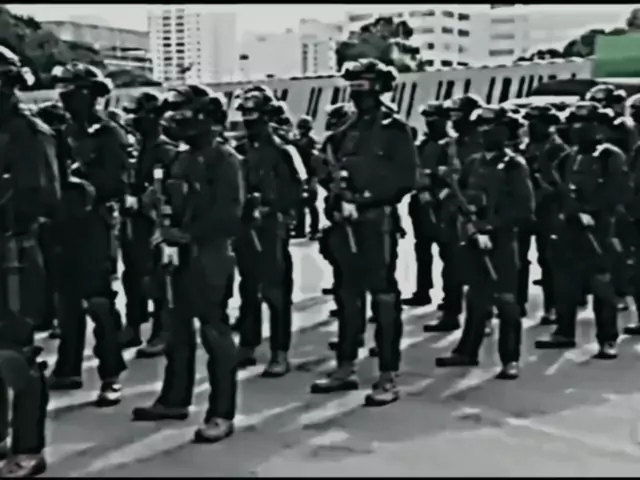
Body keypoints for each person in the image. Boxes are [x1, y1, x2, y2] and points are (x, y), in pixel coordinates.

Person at [131, 85, 243, 444]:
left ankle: (221, 412)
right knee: (176, 329)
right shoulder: (180, 158)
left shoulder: (223, 159)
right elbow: (166, 200)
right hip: (175, 255)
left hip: (208, 254)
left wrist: (186, 234)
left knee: (214, 331)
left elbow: (229, 215)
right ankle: (174, 398)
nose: (175, 121)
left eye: (183, 115)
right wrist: (154, 206)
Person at [309, 58, 418, 406]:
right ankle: (345, 366)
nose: (358, 94)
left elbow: (406, 178)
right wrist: (337, 194)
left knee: (384, 297)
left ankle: (388, 374)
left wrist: (366, 199)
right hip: (345, 222)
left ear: (379, 88)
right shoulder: (345, 131)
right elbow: (326, 167)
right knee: (347, 295)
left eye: (364, 86)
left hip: (376, 221)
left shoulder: (394, 130)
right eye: (353, 87)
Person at [47, 62, 128, 407]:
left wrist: (82, 185)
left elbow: (116, 183)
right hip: (61, 226)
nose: (65, 97)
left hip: (94, 226)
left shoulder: (109, 134)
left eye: (73, 90)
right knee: (66, 303)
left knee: (99, 302)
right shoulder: (58, 132)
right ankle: (68, 367)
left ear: (91, 94)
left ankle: (111, 374)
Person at [435, 105, 535, 380]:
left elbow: (524, 210)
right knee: (476, 298)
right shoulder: (473, 163)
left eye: (490, 128)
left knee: (506, 301)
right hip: (474, 239)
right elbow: (459, 197)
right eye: (481, 128)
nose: (484, 133)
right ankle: (467, 350)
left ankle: (510, 359)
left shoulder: (514, 166)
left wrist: (490, 228)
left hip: (501, 241)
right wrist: (466, 223)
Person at [0, 45, 61, 478]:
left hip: (13, 255)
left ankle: (28, 447)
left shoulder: (30, 133)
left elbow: (46, 198)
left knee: (17, 354)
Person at [534, 101, 629, 358]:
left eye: (584, 124)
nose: (578, 129)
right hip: (569, 227)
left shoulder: (610, 155)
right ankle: (564, 331)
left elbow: (617, 190)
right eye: (575, 123)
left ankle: (607, 339)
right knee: (565, 284)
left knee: (602, 286)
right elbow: (558, 185)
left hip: (599, 229)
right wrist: (566, 208)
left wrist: (591, 209)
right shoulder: (570, 156)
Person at [234, 86, 303, 376]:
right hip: (244, 227)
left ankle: (279, 351)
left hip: (272, 226)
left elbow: (298, 191)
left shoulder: (283, 151)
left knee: (276, 292)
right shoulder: (239, 151)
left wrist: (274, 209)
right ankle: (247, 344)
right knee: (248, 289)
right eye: (246, 116)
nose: (249, 122)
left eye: (255, 116)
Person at [119, 91, 178, 358]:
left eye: (139, 114)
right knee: (133, 276)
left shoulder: (165, 150)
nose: (134, 120)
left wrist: (149, 202)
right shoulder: (138, 148)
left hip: (154, 224)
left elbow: (171, 191)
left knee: (158, 280)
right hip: (134, 223)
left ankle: (162, 331)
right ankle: (133, 326)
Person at [519, 105, 570, 325]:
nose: (531, 127)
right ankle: (518, 303)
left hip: (548, 209)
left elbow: (562, 185)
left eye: (536, 123)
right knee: (518, 259)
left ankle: (552, 307)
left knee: (549, 260)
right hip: (525, 209)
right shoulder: (524, 147)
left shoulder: (558, 150)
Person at [292, 115, 320, 240]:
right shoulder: (304, 140)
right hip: (304, 173)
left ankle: (313, 229)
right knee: (301, 202)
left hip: (310, 174)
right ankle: (301, 228)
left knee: (310, 202)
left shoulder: (309, 142)